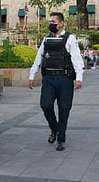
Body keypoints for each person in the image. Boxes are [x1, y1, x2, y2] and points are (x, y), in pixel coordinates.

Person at [28, 12, 84, 151]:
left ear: (61, 23)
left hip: (64, 78)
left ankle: (61, 138)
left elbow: (77, 59)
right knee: (45, 105)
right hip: (48, 78)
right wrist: (32, 75)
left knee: (64, 108)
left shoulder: (70, 39)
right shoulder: (46, 39)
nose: (51, 24)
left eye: (53, 21)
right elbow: (39, 57)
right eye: (50, 21)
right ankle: (55, 128)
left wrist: (79, 78)